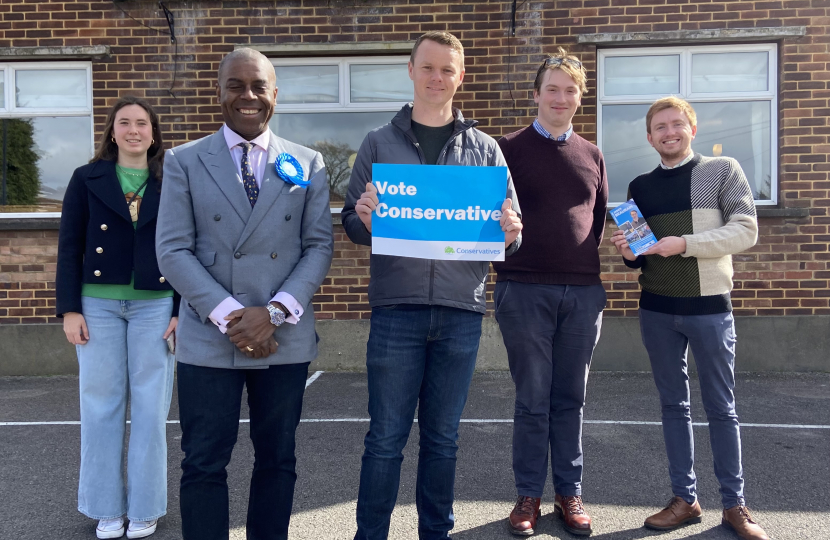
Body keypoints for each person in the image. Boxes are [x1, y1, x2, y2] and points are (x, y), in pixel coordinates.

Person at [341, 31, 523, 540]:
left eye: (448, 69)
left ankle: (435, 533)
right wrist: (360, 216)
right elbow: (355, 227)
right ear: (411, 70)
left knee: (443, 440)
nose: (437, 78)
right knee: (385, 439)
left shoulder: (486, 149)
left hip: (460, 311)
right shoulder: (379, 141)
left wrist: (513, 233)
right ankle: (369, 534)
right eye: (429, 67)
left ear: (460, 76)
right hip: (396, 310)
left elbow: (510, 234)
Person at [155, 48, 334, 540]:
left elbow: (318, 246)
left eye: (259, 86)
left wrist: (273, 313)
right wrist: (235, 316)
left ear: (275, 94)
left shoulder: (309, 162)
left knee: (278, 458)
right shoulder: (183, 161)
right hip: (211, 338)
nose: (248, 96)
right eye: (236, 85)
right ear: (220, 92)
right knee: (204, 462)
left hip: (285, 338)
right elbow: (172, 250)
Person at [611, 96, 768, 540]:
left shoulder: (721, 171)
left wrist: (684, 242)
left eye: (677, 124)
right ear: (649, 137)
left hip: (709, 309)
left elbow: (746, 229)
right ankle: (685, 499)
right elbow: (641, 258)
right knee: (673, 407)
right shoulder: (640, 186)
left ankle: (735, 506)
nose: (669, 132)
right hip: (657, 310)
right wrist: (628, 253)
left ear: (692, 129)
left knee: (722, 408)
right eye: (660, 127)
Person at [492, 48, 608, 537]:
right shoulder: (507, 150)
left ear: (580, 99)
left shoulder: (592, 154)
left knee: (571, 398)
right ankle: (527, 496)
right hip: (522, 288)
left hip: (582, 292)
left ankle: (569, 493)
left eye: (570, 90)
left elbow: (597, 220)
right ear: (537, 94)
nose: (561, 97)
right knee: (533, 398)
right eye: (553, 88)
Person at [56, 96, 179, 539]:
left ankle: (145, 508)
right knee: (100, 406)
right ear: (111, 131)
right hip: (97, 306)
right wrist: (70, 309)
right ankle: (106, 508)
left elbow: (188, 247)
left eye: (141, 123)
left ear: (153, 132)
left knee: (150, 410)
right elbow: (69, 246)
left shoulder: (173, 178)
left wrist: (182, 310)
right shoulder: (86, 178)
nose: (132, 130)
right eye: (124, 123)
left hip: (155, 303)